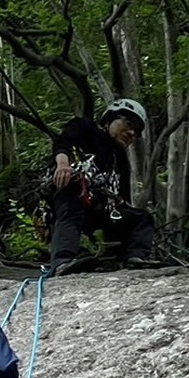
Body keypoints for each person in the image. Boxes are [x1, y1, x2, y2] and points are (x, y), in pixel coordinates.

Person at [47, 98, 158, 276]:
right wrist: (62, 164)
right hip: (72, 191)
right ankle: (62, 262)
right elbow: (64, 142)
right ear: (111, 119)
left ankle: (134, 258)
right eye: (129, 124)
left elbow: (123, 196)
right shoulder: (86, 128)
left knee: (141, 218)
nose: (131, 133)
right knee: (72, 208)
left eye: (136, 132)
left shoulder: (119, 159)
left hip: (101, 206)